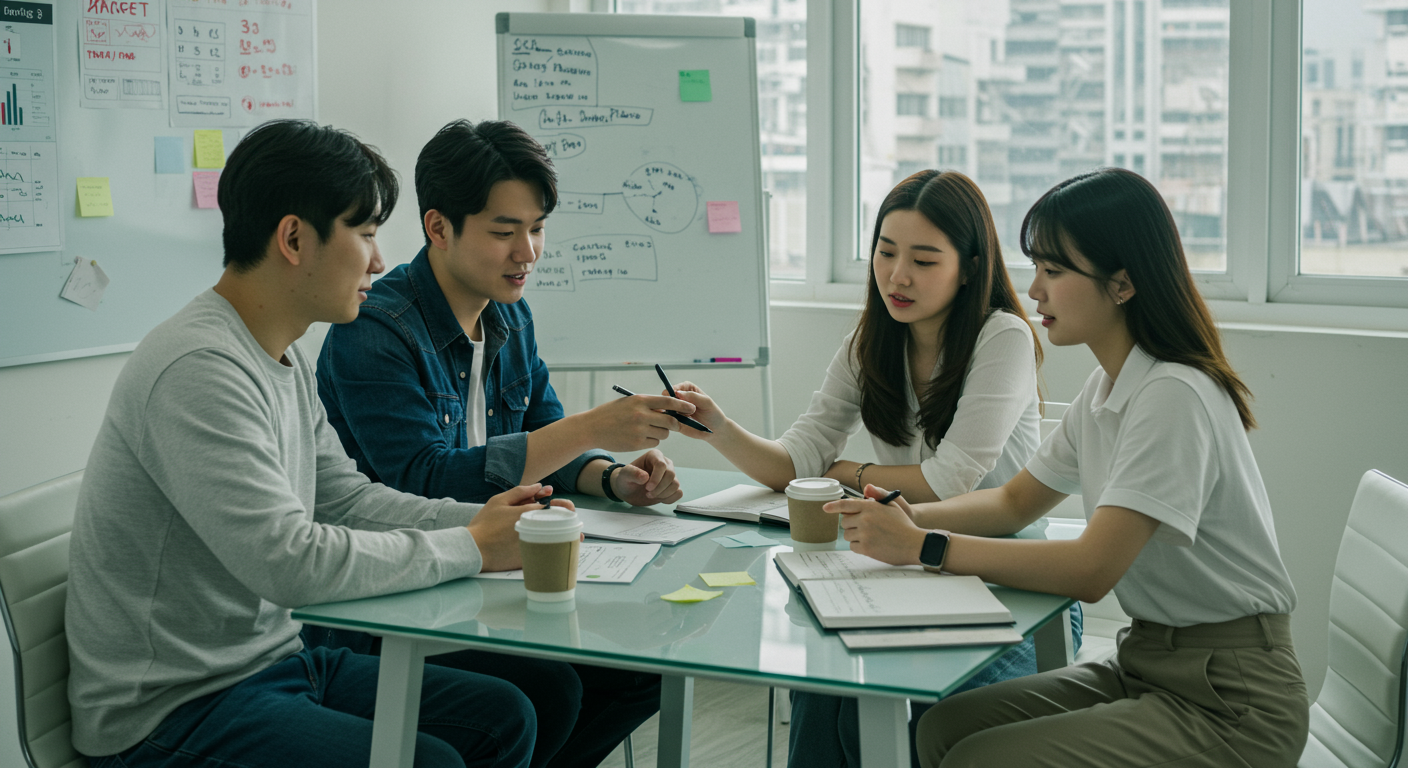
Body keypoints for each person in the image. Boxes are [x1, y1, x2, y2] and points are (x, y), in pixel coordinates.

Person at [66, 120, 554, 768]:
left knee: (505, 717)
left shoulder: (281, 354)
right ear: (295, 238)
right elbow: (287, 561)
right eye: (367, 234)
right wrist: (469, 546)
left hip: (274, 663)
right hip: (172, 709)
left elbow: (344, 499)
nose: (380, 262)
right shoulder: (197, 367)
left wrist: (490, 523)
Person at [830, 168, 1309, 768]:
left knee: (976, 758)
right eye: (1037, 269)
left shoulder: (1174, 394)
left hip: (1231, 698)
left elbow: (1091, 569)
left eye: (1054, 272)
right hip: (1149, 663)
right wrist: (905, 517)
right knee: (940, 731)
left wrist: (923, 545)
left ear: (1122, 285)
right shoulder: (1108, 386)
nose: (1034, 292)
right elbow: (1013, 503)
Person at [667, 170, 1079, 767]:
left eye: (923, 259)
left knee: (924, 717)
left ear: (968, 266)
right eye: (886, 253)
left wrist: (845, 470)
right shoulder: (872, 339)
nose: (897, 276)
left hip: (1007, 583)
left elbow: (948, 479)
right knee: (825, 688)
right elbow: (797, 460)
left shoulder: (1003, 336)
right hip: (904, 571)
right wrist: (720, 429)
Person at [314, 119, 686, 768]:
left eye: (537, 228)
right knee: (552, 688)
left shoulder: (509, 314)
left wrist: (610, 476)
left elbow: (548, 435)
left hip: (489, 576)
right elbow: (424, 479)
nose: (528, 253)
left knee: (646, 664)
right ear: (438, 227)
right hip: (399, 600)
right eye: (504, 231)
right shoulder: (374, 330)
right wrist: (591, 428)